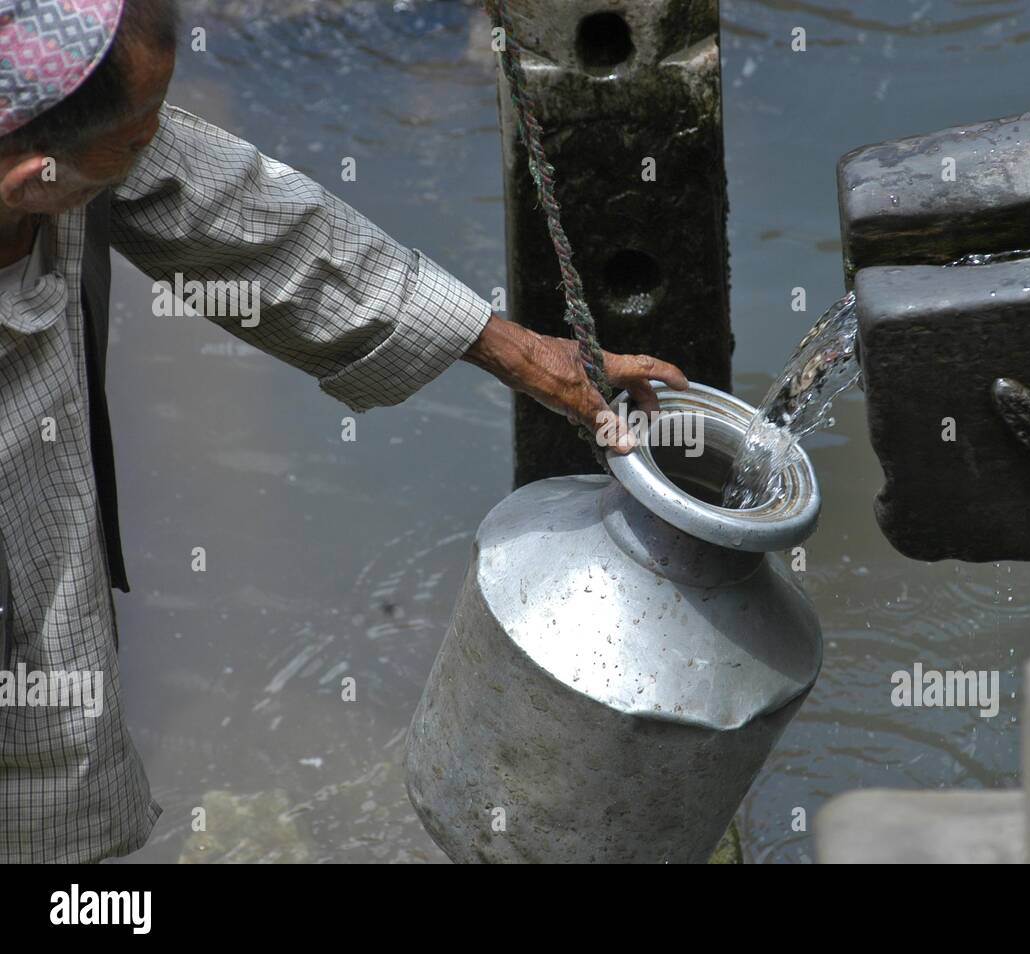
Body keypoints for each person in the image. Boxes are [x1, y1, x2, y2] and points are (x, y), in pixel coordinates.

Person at [0, 0, 687, 863]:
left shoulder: (61, 156)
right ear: (31, 182)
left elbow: (244, 215)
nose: (158, 147)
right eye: (137, 139)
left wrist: (520, 352)